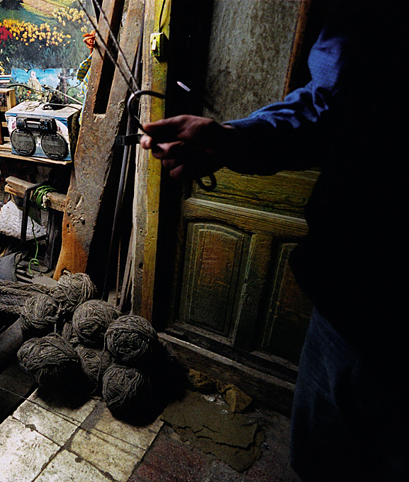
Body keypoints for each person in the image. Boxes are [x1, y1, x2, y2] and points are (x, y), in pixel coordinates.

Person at [139, 2, 408, 481]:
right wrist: (226, 139)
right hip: (344, 296)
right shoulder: (367, 19)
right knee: (316, 462)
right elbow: (327, 104)